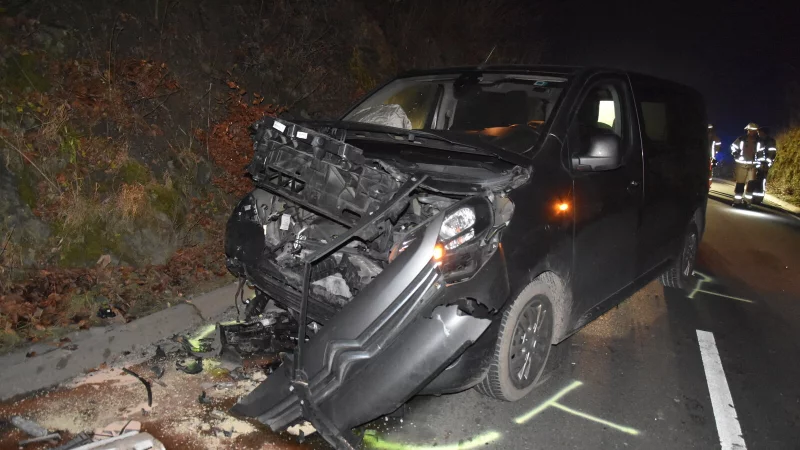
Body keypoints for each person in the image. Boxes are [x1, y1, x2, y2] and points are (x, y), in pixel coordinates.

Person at [730, 122, 759, 205]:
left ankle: (747, 201)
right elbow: (733, 147)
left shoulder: (758, 141)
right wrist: (736, 154)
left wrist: (760, 163)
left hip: (753, 165)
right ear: (747, 130)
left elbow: (761, 152)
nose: (752, 132)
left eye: (754, 131)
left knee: (751, 184)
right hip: (741, 165)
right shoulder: (741, 139)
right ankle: (737, 201)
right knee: (740, 183)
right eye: (750, 130)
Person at [754, 126, 778, 199]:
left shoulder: (770, 141)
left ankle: (758, 198)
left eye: (759, 132)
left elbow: (772, 153)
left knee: (761, 181)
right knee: (755, 180)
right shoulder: (758, 140)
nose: (758, 133)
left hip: (764, 165)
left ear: (763, 132)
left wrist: (766, 163)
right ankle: (754, 196)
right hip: (757, 164)